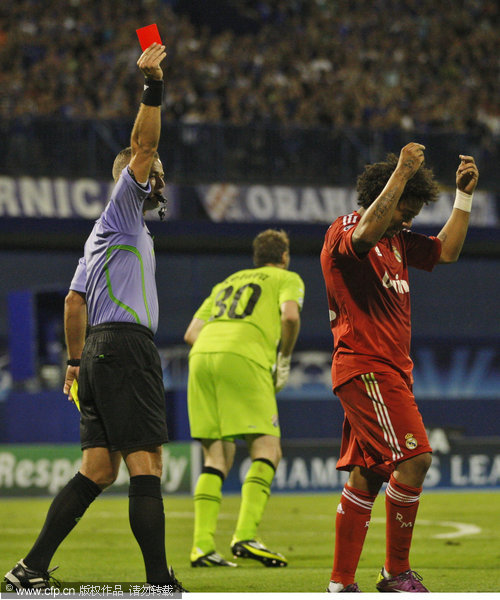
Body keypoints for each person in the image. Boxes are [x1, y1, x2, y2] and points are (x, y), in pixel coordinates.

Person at [4, 42, 187, 593]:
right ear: (134, 177)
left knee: (98, 470)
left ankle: (29, 568)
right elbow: (144, 140)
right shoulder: (125, 210)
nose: (158, 178)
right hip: (128, 349)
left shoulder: (98, 238)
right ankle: (159, 581)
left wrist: (75, 364)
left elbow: (72, 302)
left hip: (99, 353)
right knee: (146, 465)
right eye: (152, 173)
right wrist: (153, 86)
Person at [320, 143, 479, 593]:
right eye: (402, 211)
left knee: (368, 475)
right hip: (367, 366)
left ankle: (341, 583)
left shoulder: (397, 239)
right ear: (383, 197)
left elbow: (446, 252)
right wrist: (404, 170)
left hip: (387, 371)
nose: (405, 221)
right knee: (415, 460)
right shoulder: (348, 228)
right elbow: (367, 231)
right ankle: (395, 573)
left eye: (411, 214)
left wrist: (462, 198)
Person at [183, 229, 304, 568]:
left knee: (216, 456)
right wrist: (283, 357)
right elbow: (291, 316)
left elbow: (191, 333)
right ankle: (245, 536)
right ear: (284, 256)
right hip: (244, 357)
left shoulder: (227, 282)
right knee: (267, 447)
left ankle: (202, 547)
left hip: (202, 356)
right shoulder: (286, 277)